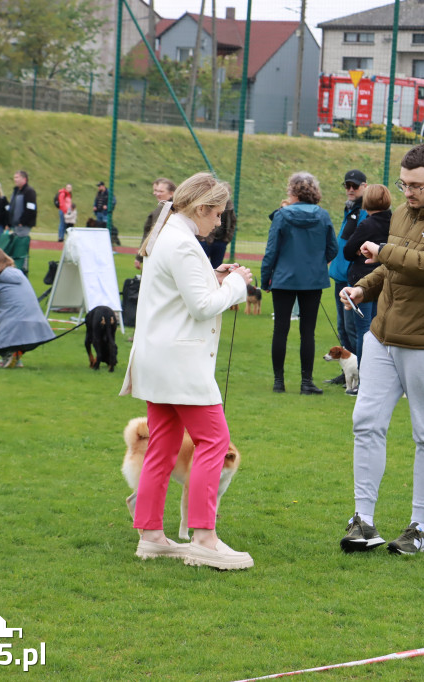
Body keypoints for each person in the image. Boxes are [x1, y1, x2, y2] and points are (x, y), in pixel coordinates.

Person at [339, 144, 424, 555]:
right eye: (403, 183)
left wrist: (384, 252)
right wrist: (364, 287)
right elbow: (392, 268)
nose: (408, 192)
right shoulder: (401, 213)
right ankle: (363, 521)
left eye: (416, 185)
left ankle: (419, 527)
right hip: (382, 334)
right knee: (365, 421)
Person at [119, 172, 255, 570]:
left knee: (161, 446)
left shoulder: (170, 235)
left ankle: (151, 536)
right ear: (200, 208)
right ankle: (203, 539)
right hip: (180, 363)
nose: (218, 222)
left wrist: (214, 276)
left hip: (159, 359)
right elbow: (199, 306)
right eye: (217, 214)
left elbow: (179, 291)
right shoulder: (180, 241)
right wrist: (236, 285)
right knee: (214, 442)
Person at [260, 171, 338, 395]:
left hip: (284, 279)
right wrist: (316, 262)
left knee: (280, 330)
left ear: (292, 192)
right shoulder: (322, 216)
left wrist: (266, 279)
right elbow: (333, 248)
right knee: (308, 332)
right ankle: (306, 382)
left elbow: (271, 251)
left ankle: (278, 382)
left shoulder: (282, 216)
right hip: (312, 279)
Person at [343, 183, 392, 386]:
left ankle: (364, 380)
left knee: (363, 332)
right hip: (386, 281)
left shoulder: (368, 224)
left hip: (363, 281)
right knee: (379, 331)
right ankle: (378, 376)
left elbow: (347, 251)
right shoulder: (395, 222)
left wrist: (358, 251)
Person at [326, 170, 367, 386]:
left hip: (353, 278)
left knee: (353, 328)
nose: (350, 189)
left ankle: (359, 374)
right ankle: (347, 371)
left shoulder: (364, 212)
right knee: (343, 327)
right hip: (341, 276)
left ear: (364, 187)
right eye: (347, 185)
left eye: (355, 186)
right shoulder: (350, 209)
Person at [135, 178, 176, 270]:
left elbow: (152, 233)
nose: (156, 193)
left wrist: (140, 256)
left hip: (158, 254)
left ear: (171, 193)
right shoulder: (165, 206)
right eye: (156, 190)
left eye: (161, 191)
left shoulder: (166, 208)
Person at [8, 170, 37, 237]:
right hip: (14, 224)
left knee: (19, 244)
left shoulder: (29, 191)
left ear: (24, 179)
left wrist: (22, 222)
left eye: (17, 177)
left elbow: (31, 210)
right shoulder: (16, 191)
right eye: (14, 177)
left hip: (23, 225)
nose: (15, 179)